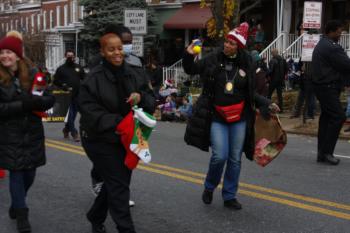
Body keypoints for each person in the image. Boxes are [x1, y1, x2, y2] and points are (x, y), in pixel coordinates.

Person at [183, 23, 279, 210]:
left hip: (240, 118)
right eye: (226, 42)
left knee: (235, 158)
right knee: (220, 156)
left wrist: (267, 103)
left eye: (232, 44)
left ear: (239, 47)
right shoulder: (213, 59)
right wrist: (189, 55)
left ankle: (229, 195)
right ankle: (210, 187)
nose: (227, 46)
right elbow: (191, 69)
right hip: (217, 116)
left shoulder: (247, 64)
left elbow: (251, 94)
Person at [79, 32, 155, 233]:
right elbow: (89, 112)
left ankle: (95, 215)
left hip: (128, 136)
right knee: (119, 185)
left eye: (119, 48)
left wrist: (141, 97)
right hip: (99, 139)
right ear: (103, 52)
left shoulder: (134, 73)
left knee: (118, 181)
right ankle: (126, 229)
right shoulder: (92, 79)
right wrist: (120, 122)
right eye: (111, 49)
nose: (117, 53)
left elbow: (151, 99)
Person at [0, 31, 55, 233]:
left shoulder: (33, 73)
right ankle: (22, 216)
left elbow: (49, 98)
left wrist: (38, 101)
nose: (5, 56)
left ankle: (16, 203)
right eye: (2, 52)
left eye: (9, 52)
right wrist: (22, 105)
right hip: (8, 134)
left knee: (29, 175)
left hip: (32, 133)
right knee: (16, 174)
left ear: (17, 55)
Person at [312, 20, 350, 165]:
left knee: (327, 118)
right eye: (339, 32)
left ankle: (321, 153)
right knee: (338, 116)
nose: (340, 35)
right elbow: (347, 65)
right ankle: (327, 152)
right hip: (328, 87)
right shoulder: (331, 47)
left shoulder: (322, 44)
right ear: (331, 31)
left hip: (322, 86)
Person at [53, 49, 85, 142]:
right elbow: (55, 81)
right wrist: (63, 85)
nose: (70, 58)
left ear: (74, 57)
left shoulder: (78, 67)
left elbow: (85, 77)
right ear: (65, 57)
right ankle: (74, 133)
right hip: (65, 95)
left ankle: (66, 129)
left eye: (72, 56)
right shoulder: (61, 69)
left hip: (77, 94)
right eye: (68, 56)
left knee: (74, 114)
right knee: (69, 114)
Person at [267, 49, 288, 113]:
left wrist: (266, 74)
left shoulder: (272, 60)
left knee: (269, 94)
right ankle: (281, 109)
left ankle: (268, 108)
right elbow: (286, 69)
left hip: (273, 80)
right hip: (280, 80)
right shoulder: (283, 60)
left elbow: (270, 71)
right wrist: (283, 75)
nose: (271, 54)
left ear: (273, 53)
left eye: (271, 53)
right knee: (280, 95)